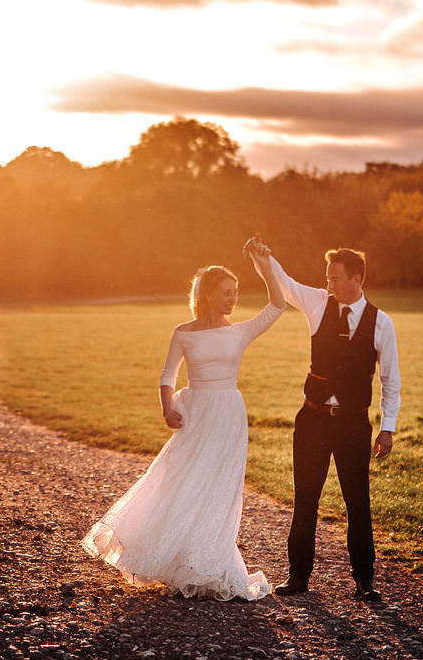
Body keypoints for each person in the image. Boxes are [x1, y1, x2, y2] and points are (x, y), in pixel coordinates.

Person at [82, 255, 286, 599]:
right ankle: (171, 556)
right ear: (207, 295)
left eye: (235, 292)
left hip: (228, 416)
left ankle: (211, 562)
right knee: (181, 479)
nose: (232, 299)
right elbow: (167, 375)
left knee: (219, 488)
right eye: (225, 292)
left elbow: (278, 304)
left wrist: (263, 264)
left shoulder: (240, 332)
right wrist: (166, 409)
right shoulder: (184, 332)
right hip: (195, 413)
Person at [246, 235, 400, 602]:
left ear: (356, 278)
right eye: (327, 278)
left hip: (353, 424)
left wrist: (388, 427)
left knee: (357, 503)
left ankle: (364, 581)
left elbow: (390, 381)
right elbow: (284, 282)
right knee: (306, 499)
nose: (328, 283)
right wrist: (264, 257)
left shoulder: (382, 323)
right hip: (312, 421)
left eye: (334, 278)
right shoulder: (317, 302)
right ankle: (298, 578)